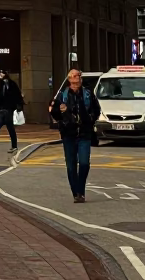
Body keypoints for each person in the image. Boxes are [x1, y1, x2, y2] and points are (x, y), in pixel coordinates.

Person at [50, 68, 100, 203]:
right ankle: (76, 193)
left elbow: (97, 110)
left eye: (77, 76)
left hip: (84, 134)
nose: (75, 79)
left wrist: (90, 119)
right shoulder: (62, 95)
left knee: (84, 164)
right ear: (69, 80)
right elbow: (54, 113)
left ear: (80, 79)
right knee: (71, 165)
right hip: (68, 135)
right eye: (73, 77)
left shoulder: (88, 94)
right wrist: (60, 111)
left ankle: (80, 189)